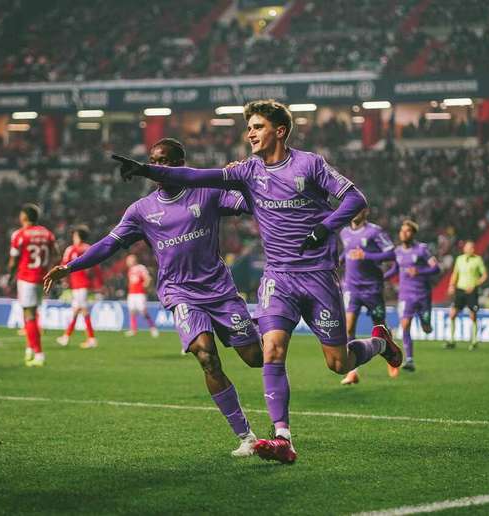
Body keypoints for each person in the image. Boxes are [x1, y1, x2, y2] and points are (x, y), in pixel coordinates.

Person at [111, 100, 403, 464]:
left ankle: (378, 343)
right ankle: (283, 437)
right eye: (248, 126)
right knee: (272, 350)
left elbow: (355, 198)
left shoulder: (309, 164)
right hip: (277, 277)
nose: (249, 132)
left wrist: (323, 227)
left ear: (279, 131)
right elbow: (196, 176)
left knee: (338, 363)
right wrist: (145, 169)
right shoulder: (247, 171)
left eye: (258, 126)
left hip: (318, 277)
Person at [44, 138, 264, 457]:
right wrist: (70, 266)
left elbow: (249, 202)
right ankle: (246, 435)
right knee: (206, 358)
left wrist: (241, 178)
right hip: (180, 293)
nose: (157, 166)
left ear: (180, 164)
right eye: (153, 161)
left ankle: (260, 321)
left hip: (220, 291)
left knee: (254, 359)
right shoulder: (141, 210)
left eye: (164, 161)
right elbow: (108, 244)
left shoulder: (207, 192)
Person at [337, 208, 396, 385]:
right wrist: (339, 259)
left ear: (366, 212)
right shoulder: (344, 232)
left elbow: (391, 253)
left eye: (358, 209)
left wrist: (367, 255)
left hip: (372, 289)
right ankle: (352, 371)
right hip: (352, 288)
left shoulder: (375, 231)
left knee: (380, 327)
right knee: (348, 328)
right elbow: (347, 251)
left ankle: (392, 355)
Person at [384, 220, 440, 373]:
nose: (403, 233)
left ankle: (426, 322)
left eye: (407, 231)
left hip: (423, 295)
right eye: (402, 231)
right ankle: (409, 360)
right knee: (405, 324)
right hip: (405, 295)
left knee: (426, 328)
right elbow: (395, 269)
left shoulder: (422, 250)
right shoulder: (397, 251)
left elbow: (436, 268)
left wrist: (419, 272)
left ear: (413, 233)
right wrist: (381, 277)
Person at [8, 203, 58, 367]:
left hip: (26, 278)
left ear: (23, 217)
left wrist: (10, 274)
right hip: (41, 278)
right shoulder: (47, 234)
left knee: (28, 314)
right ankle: (29, 348)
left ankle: (38, 354)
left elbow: (13, 260)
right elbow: (56, 254)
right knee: (32, 312)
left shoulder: (20, 234)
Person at [56, 225, 100, 349]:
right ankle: (66, 336)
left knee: (83, 310)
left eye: (74, 235)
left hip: (79, 285)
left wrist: (62, 279)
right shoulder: (89, 249)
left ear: (78, 236)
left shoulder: (71, 249)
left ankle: (91, 339)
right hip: (83, 284)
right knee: (76, 310)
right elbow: (95, 267)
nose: (73, 237)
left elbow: (63, 265)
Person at [446, 240, 487, 351]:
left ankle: (474, 341)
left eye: (472, 247)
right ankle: (452, 340)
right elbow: (455, 273)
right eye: (469, 247)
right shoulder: (459, 259)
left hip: (472, 291)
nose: (471, 249)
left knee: (473, 315)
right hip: (460, 290)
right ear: (465, 249)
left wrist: (475, 285)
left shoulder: (478, 260)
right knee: (452, 314)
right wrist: (451, 285)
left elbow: (484, 275)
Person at [125, 254, 159, 338]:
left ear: (134, 260)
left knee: (143, 312)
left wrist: (145, 285)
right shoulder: (130, 270)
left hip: (140, 293)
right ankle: (133, 330)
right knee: (132, 312)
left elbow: (148, 278)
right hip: (131, 294)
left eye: (129, 260)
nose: (128, 262)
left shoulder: (141, 268)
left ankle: (153, 328)